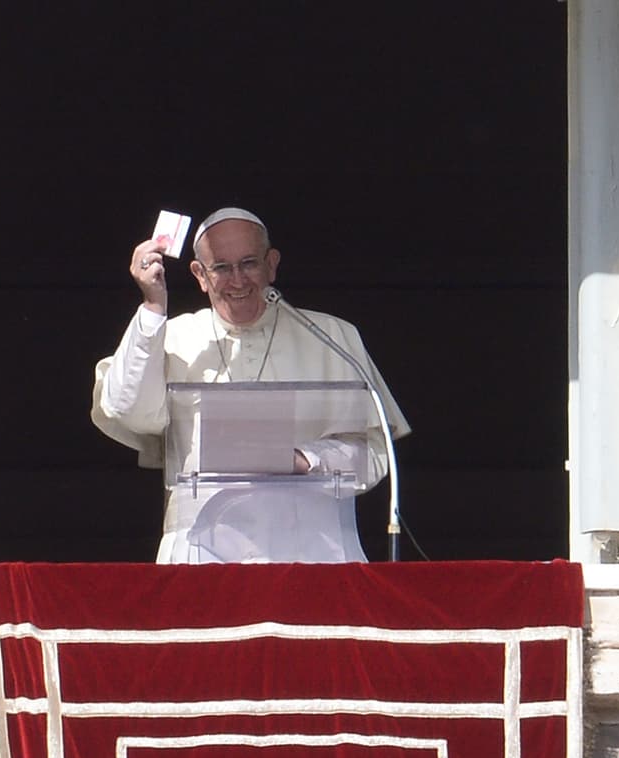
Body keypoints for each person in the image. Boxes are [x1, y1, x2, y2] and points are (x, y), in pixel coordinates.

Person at [91, 207, 410, 563]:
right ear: (199, 273)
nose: (238, 280)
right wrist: (153, 306)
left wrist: (306, 459)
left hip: (315, 552)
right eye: (222, 268)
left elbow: (376, 450)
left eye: (249, 263)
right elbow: (127, 410)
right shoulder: (170, 338)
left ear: (271, 264)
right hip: (201, 556)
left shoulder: (332, 336)